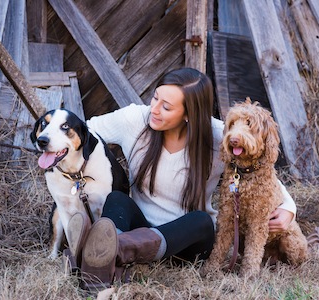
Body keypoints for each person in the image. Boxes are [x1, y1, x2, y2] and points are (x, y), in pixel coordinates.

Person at [67, 67, 296, 289]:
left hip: (188, 244)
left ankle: (111, 250)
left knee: (202, 220)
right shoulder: (135, 120)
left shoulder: (218, 136)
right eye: (154, 99)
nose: (154, 109)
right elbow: (85, 131)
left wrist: (288, 207)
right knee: (117, 199)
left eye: (166, 107)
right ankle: (104, 258)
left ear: (189, 114)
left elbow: (258, 171)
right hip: (139, 229)